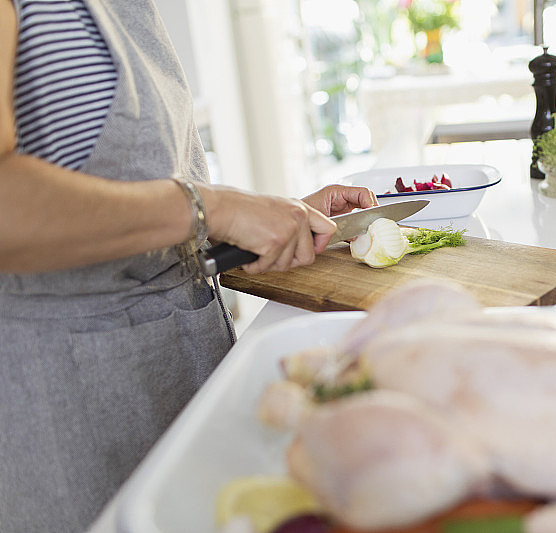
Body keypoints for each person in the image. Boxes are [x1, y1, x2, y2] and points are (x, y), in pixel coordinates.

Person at [0, 1, 377, 531]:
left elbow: (126, 193)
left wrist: (260, 221)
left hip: (174, 362)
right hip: (65, 399)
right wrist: (215, 209)